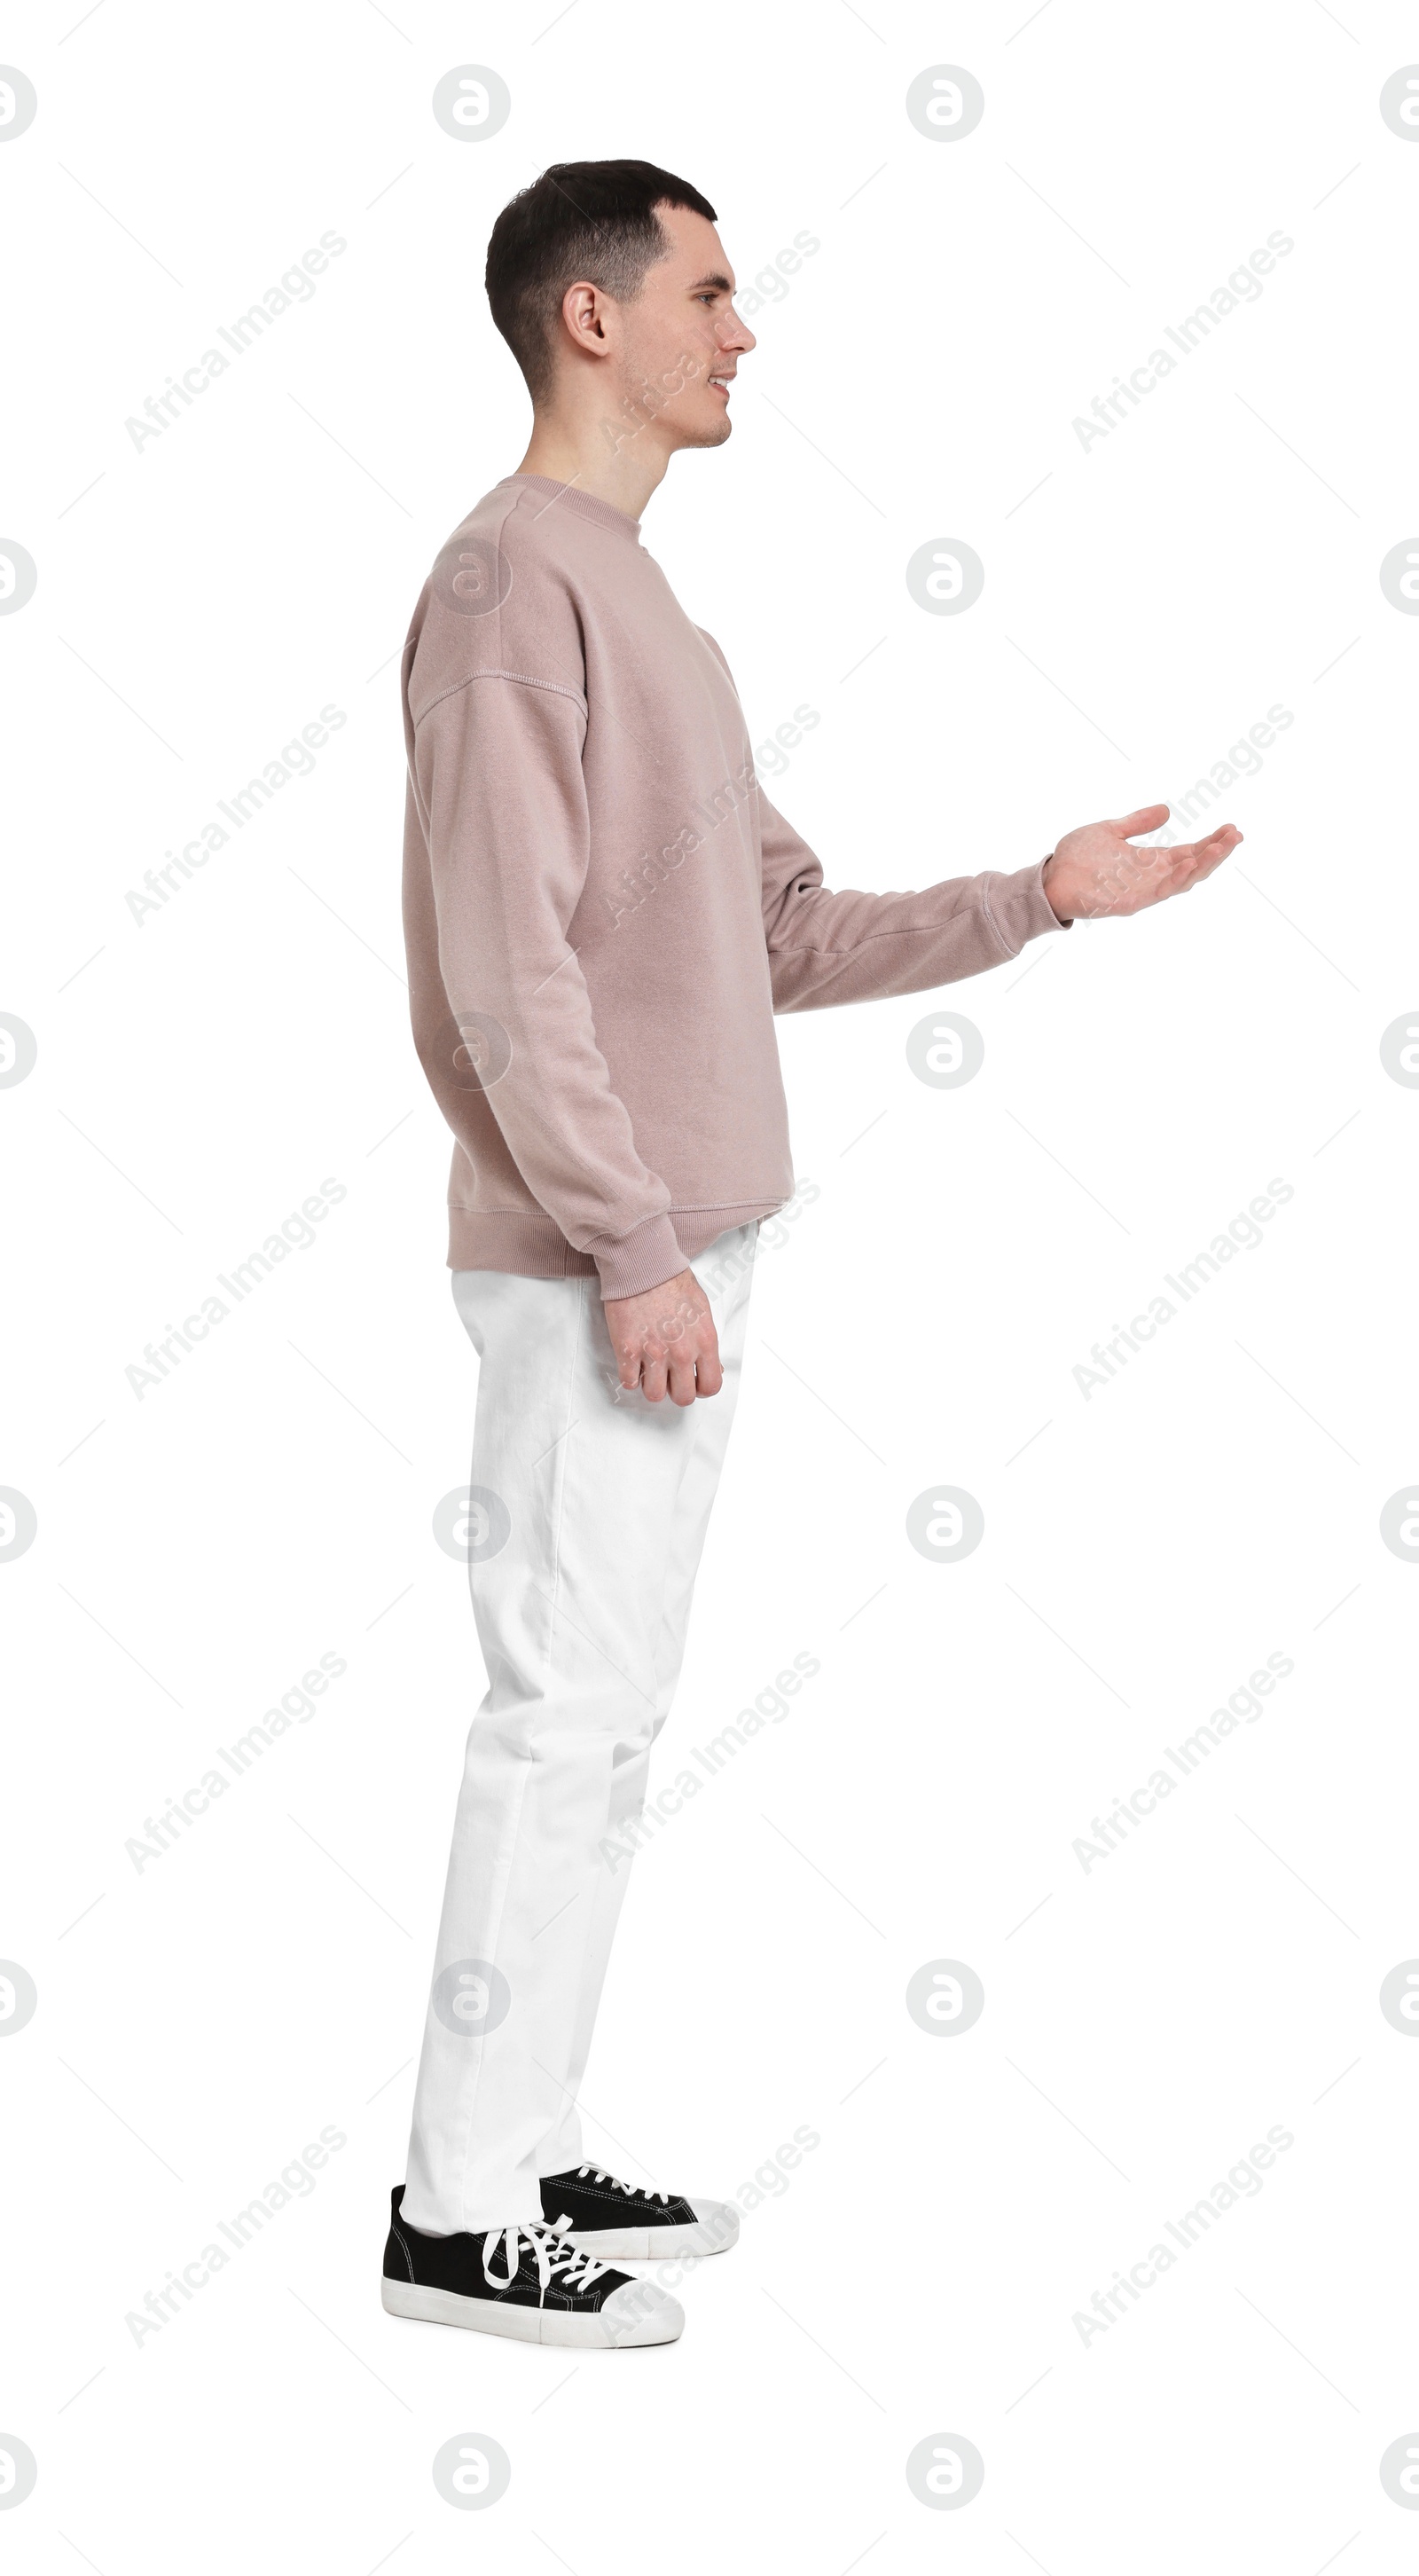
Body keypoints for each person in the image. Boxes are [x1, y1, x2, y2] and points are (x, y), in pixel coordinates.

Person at [382, 159, 1239, 2351]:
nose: (744, 330)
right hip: (608, 1255)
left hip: (669, 1244)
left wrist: (1033, 897)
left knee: (607, 1718)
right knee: (558, 1712)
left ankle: (521, 2145)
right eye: (710, 289)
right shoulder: (507, 589)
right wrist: (632, 1243)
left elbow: (765, 934)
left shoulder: (653, 609)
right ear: (589, 321)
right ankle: (457, 2219)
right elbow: (504, 975)